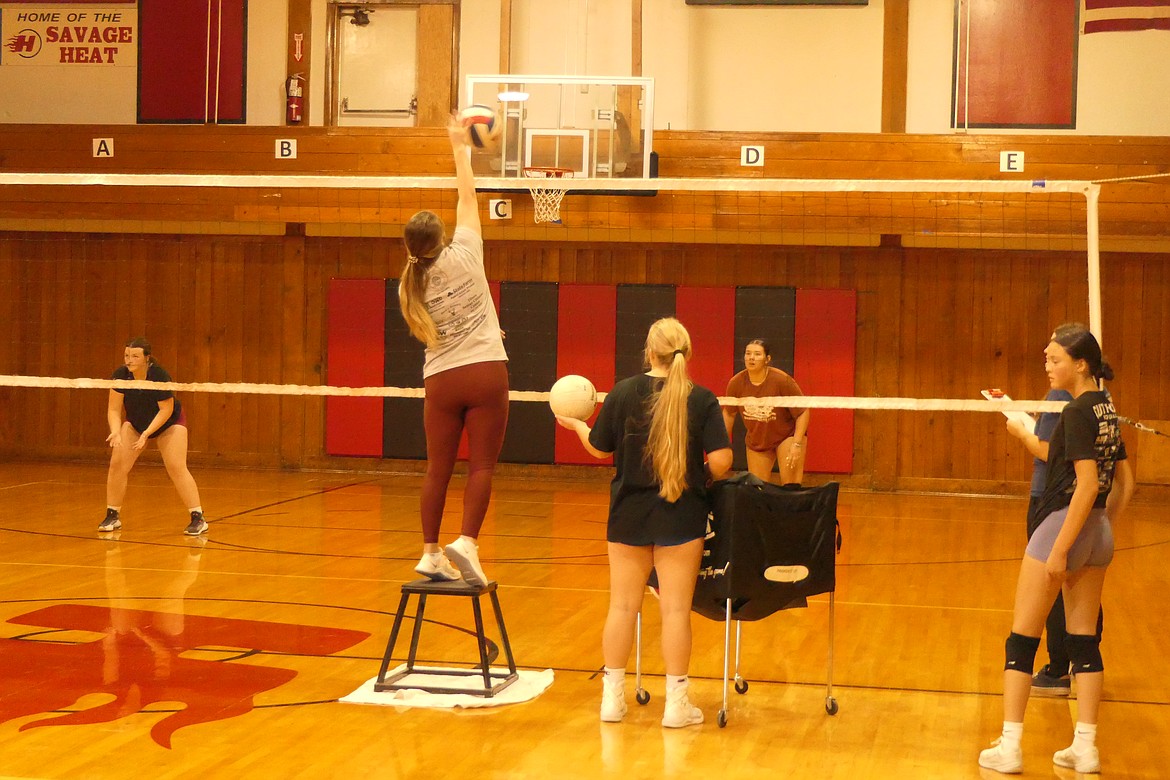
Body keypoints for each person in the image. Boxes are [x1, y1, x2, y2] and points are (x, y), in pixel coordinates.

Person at [557, 317, 733, 728]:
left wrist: (580, 426)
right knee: (675, 611)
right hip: (682, 513)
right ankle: (676, 706)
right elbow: (722, 462)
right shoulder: (701, 398)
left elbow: (600, 450)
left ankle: (611, 702)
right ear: (685, 353)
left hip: (628, 514)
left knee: (622, 606)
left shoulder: (623, 392)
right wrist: (701, 475)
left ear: (648, 351)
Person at [979, 325, 1134, 775]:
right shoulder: (1106, 408)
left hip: (1061, 526)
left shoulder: (1078, 413)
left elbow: (1085, 484)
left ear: (1079, 364)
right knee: (1083, 640)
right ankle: (1085, 747)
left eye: (1054, 359)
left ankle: (1010, 746)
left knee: (1022, 639)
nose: (1047, 366)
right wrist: (1104, 528)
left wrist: (1063, 547)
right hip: (1098, 531)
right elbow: (1126, 483)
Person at [398, 113, 509, 588]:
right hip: (485, 372)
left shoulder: (411, 284)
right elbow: (467, 195)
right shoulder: (466, 250)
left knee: (436, 470)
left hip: (440, 380)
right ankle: (466, 542)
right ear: (442, 239)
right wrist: (459, 145)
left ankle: (428, 553)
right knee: (481, 465)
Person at [98, 337, 208, 536]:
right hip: (135, 423)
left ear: (146, 358)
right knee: (117, 464)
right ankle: (112, 515)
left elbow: (165, 410)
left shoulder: (159, 376)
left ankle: (198, 517)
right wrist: (115, 430)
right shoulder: (121, 376)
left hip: (168, 423)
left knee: (176, 466)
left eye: (135, 356)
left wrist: (147, 434)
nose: (129, 360)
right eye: (126, 356)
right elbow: (113, 409)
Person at [723, 339, 810, 485]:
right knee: (757, 488)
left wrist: (797, 443)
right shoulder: (736, 383)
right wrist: (722, 444)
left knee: (791, 487)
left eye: (757, 354)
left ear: (767, 359)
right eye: (748, 353)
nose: (751, 358)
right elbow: (729, 413)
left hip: (786, 436)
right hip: (758, 440)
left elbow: (803, 411)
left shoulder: (782, 380)